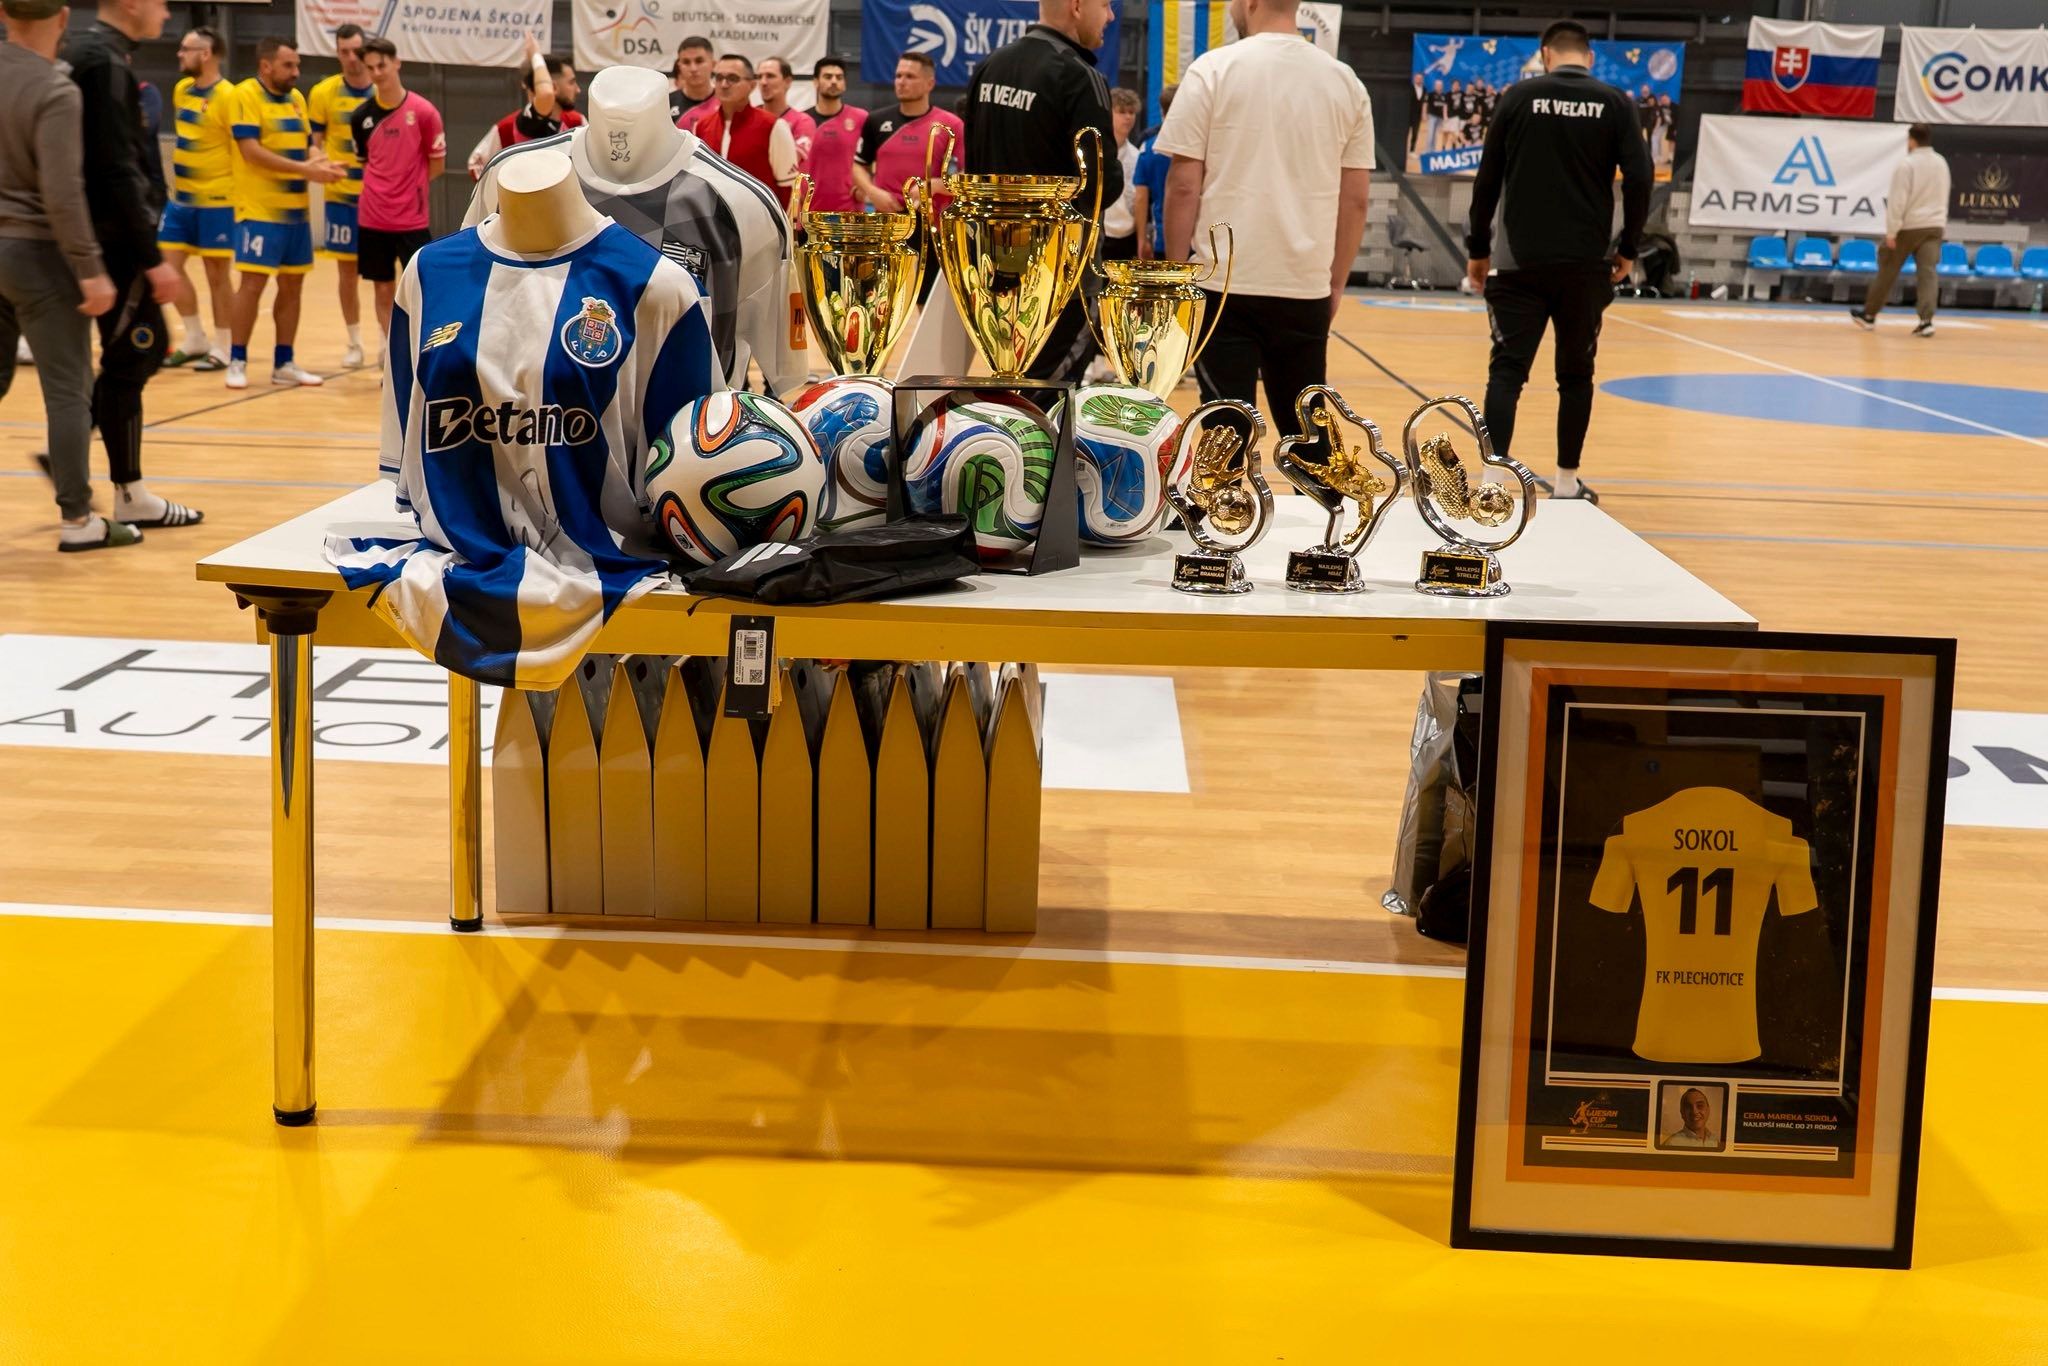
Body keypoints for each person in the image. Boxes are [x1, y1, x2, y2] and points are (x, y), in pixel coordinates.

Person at [1159, 0, 1372, 447]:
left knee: (1225, 436)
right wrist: (1335, 284)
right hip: (1304, 285)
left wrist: (1177, 277)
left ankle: (1226, 493)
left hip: (1222, 285)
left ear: (1250, 2)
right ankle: (1325, 492)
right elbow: (1355, 200)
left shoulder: (1211, 70)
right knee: (1310, 437)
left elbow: (1183, 185)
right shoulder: (1345, 82)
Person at [1465, 20, 1649, 502]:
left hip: (1517, 263)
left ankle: (1491, 485)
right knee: (1576, 375)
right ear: (1589, 57)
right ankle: (1566, 484)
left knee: (1507, 372)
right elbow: (1640, 178)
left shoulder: (1517, 97)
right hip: (1585, 266)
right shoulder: (1615, 102)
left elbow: (1487, 178)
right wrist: (1629, 247)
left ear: (1546, 55)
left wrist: (1478, 249)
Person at [0, 0, 135, 550]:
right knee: (68, 390)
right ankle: (78, 520)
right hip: (36, 254)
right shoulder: (55, 90)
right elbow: (62, 193)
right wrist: (90, 268)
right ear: (61, 18)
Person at [66, 0, 202, 528]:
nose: (166, 14)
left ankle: (69, 452)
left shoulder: (90, 53)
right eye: (159, 3)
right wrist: (151, 257)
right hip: (114, 244)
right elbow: (114, 168)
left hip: (99, 237)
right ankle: (129, 494)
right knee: (136, 354)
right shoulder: (102, 63)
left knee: (129, 356)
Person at [962, 0, 1122, 382]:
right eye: (1105, 5)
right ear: (1077, 6)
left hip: (992, 262)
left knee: (1009, 372)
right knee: (1047, 384)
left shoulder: (989, 66)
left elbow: (974, 168)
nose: (1111, 16)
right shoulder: (1078, 74)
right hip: (1060, 271)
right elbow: (1104, 184)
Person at [224, 36, 343, 390]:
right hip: (259, 211)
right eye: (288, 65)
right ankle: (237, 359)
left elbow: (307, 146)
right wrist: (306, 171)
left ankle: (284, 362)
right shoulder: (244, 95)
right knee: (252, 284)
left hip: (296, 214)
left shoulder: (296, 99)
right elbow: (251, 152)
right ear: (266, 66)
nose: (296, 72)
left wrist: (321, 162)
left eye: (297, 65)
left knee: (293, 285)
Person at [349, 36, 442, 345]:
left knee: (419, 288)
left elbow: (437, 164)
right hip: (372, 217)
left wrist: (409, 190)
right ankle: (392, 352)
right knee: (382, 287)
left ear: (396, 63)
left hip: (411, 220)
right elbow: (367, 164)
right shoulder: (360, 117)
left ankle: (418, 350)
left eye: (382, 65)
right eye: (371, 68)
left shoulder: (425, 112)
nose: (377, 73)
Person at [853, 53, 963, 304]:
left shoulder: (951, 126)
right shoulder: (876, 120)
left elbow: (965, 178)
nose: (901, 81)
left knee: (928, 303)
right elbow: (858, 165)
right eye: (898, 75)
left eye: (910, 76)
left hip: (931, 227)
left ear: (930, 83)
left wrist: (934, 186)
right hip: (886, 223)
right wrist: (872, 192)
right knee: (876, 300)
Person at [158, 26, 234, 371]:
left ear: (205, 54)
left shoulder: (229, 97)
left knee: (217, 275)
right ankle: (194, 337)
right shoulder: (181, 90)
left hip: (217, 200)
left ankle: (224, 345)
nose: (179, 54)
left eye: (185, 49)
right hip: (181, 200)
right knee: (167, 266)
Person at [308, 24, 373, 367]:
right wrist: (318, 162)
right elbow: (313, 143)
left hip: (378, 199)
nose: (351, 58)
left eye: (356, 51)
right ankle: (354, 341)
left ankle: (388, 341)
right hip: (341, 198)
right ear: (337, 53)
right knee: (346, 273)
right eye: (344, 51)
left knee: (383, 277)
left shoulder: (382, 91)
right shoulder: (323, 93)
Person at [1854, 123, 1949, 338]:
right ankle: (1926, 321)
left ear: (1912, 140)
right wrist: (1940, 223)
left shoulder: (1907, 164)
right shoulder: (1941, 163)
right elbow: (1944, 194)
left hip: (1910, 225)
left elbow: (1898, 200)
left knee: (1888, 267)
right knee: (1928, 273)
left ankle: (1869, 315)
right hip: (1934, 225)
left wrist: (1892, 231)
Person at [689, 55, 799, 208]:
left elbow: (789, 188)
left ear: (752, 85)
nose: (724, 84)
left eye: (732, 78)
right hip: (713, 220)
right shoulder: (701, 126)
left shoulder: (773, 126)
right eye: (719, 78)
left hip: (759, 220)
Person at [466, 46, 581, 177]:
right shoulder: (511, 126)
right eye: (571, 83)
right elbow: (476, 165)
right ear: (553, 87)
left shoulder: (578, 121)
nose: (578, 90)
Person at [804, 55, 866, 213]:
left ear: (844, 83)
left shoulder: (861, 118)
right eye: (827, 77)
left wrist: (866, 187)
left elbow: (876, 160)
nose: (834, 81)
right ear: (815, 82)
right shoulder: (802, 121)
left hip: (850, 213)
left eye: (839, 77)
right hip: (809, 212)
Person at [1131, 85, 1173, 259]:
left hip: (1162, 238)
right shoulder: (1200, 146)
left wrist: (1141, 240)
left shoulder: (1149, 146)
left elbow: (1141, 197)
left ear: (1162, 111)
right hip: (1198, 239)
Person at [1101, 88, 1141, 263]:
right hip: (1103, 233)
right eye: (1122, 112)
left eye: (1131, 112)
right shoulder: (1099, 153)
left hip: (1128, 236)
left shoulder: (1137, 155)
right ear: (1109, 114)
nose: (1128, 117)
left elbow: (1139, 200)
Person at [758, 57, 816, 173]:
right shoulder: (747, 117)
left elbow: (789, 163)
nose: (763, 82)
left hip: (787, 185)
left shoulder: (802, 122)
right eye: (760, 77)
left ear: (787, 82)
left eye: (770, 76)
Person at [668, 35, 716, 125]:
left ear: (713, 64)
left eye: (699, 61)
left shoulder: (727, 104)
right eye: (686, 62)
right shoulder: (666, 104)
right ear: (679, 66)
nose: (693, 69)